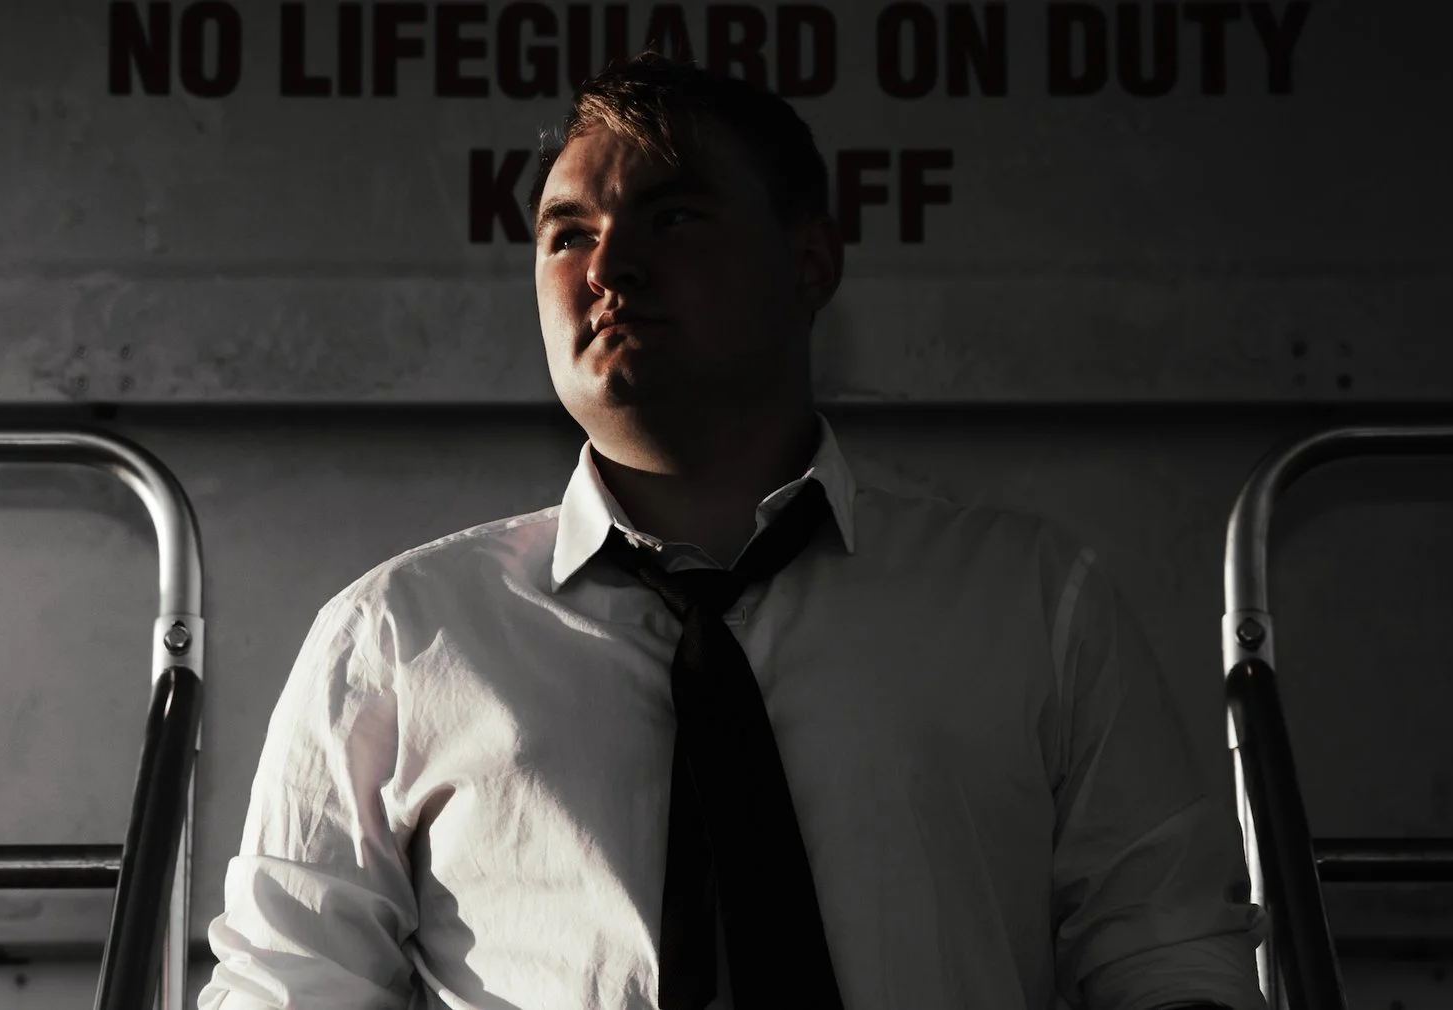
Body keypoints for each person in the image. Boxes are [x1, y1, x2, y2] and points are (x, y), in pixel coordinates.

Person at [198, 52, 1266, 1010]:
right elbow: (290, 986)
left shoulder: (1032, 601)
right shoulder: (396, 638)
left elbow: (1168, 952)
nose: (608, 271)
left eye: (673, 216)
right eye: (568, 234)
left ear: (809, 265)